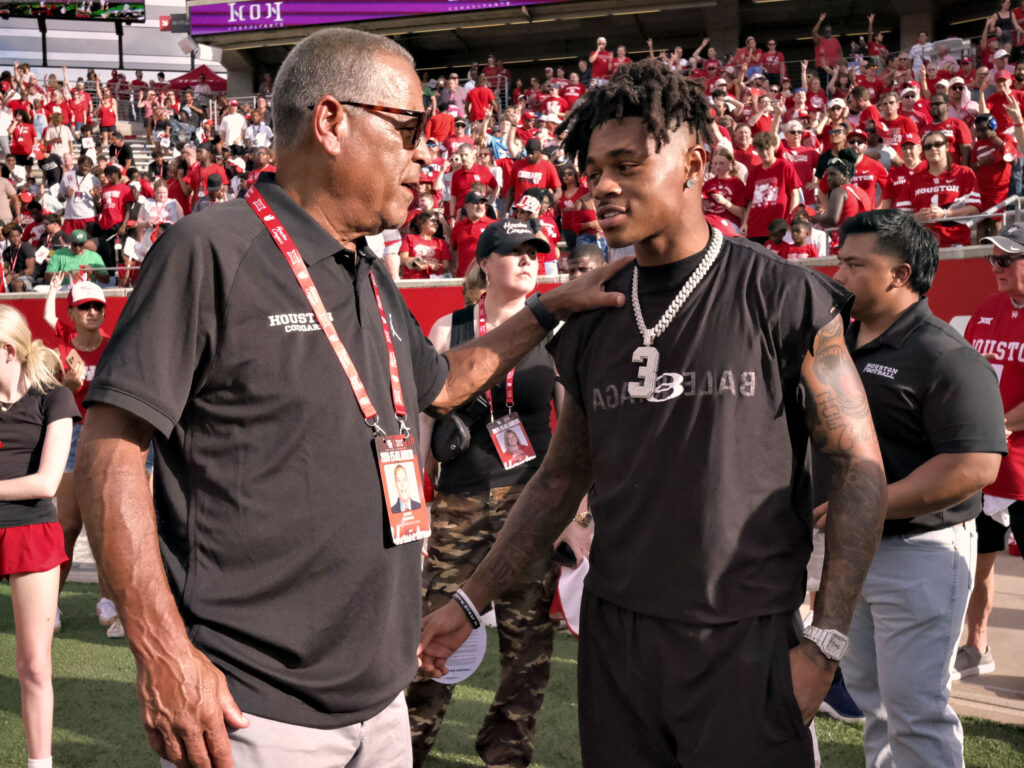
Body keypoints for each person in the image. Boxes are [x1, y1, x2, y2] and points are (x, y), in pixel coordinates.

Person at [74, 27, 628, 768]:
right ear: (331, 122)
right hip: (252, 711)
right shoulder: (212, 250)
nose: (425, 153)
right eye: (408, 128)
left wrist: (548, 308)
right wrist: (162, 653)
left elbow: (447, 384)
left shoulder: (365, 270)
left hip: (379, 705)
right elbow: (110, 454)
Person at [418, 58, 887, 768]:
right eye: (594, 169)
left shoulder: (783, 295)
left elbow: (858, 465)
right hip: (618, 638)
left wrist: (825, 643)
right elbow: (558, 479)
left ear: (694, 162)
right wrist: (471, 598)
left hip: (742, 635)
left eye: (627, 164)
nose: (602, 186)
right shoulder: (592, 316)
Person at [829, 209, 1005, 768]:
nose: (840, 275)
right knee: (871, 702)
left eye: (856, 264)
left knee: (916, 709)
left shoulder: (944, 354)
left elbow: (974, 465)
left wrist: (866, 504)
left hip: (919, 552)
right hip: (850, 548)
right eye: (840, 260)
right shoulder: (837, 339)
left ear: (900, 274)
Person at [407, 219, 567, 767]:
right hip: (457, 503)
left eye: (535, 252)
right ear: (485, 264)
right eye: (514, 251)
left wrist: (577, 513)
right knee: (436, 634)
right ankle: (409, 745)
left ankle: (507, 754)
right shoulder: (447, 329)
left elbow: (572, 427)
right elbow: (423, 427)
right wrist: (415, 512)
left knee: (526, 647)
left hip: (533, 505)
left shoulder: (558, 328)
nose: (528, 260)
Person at [0, 304, 77, 768]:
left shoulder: (53, 397)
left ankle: (39, 763)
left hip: (31, 530)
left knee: (33, 665)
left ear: (6, 350)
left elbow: (47, 482)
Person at [956, 222, 1024, 680]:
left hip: (1018, 461)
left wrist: (1000, 425)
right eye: (992, 258)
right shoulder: (986, 308)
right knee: (978, 557)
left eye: (1006, 259)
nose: (995, 267)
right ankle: (977, 645)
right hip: (985, 459)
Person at [41, 276, 124, 638]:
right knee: (67, 524)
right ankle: (49, 602)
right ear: (72, 313)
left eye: (98, 306)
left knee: (107, 527)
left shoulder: (117, 345)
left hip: (107, 435)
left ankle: (108, 600)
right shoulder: (60, 344)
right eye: (85, 306)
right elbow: (48, 400)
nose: (93, 312)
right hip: (72, 435)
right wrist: (67, 388)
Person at [909, 130, 981, 246]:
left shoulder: (964, 173)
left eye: (937, 144)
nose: (933, 149)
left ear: (947, 147)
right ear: (923, 152)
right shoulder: (913, 179)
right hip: (923, 246)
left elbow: (974, 208)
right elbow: (902, 215)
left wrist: (945, 213)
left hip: (956, 242)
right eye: (928, 146)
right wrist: (918, 216)